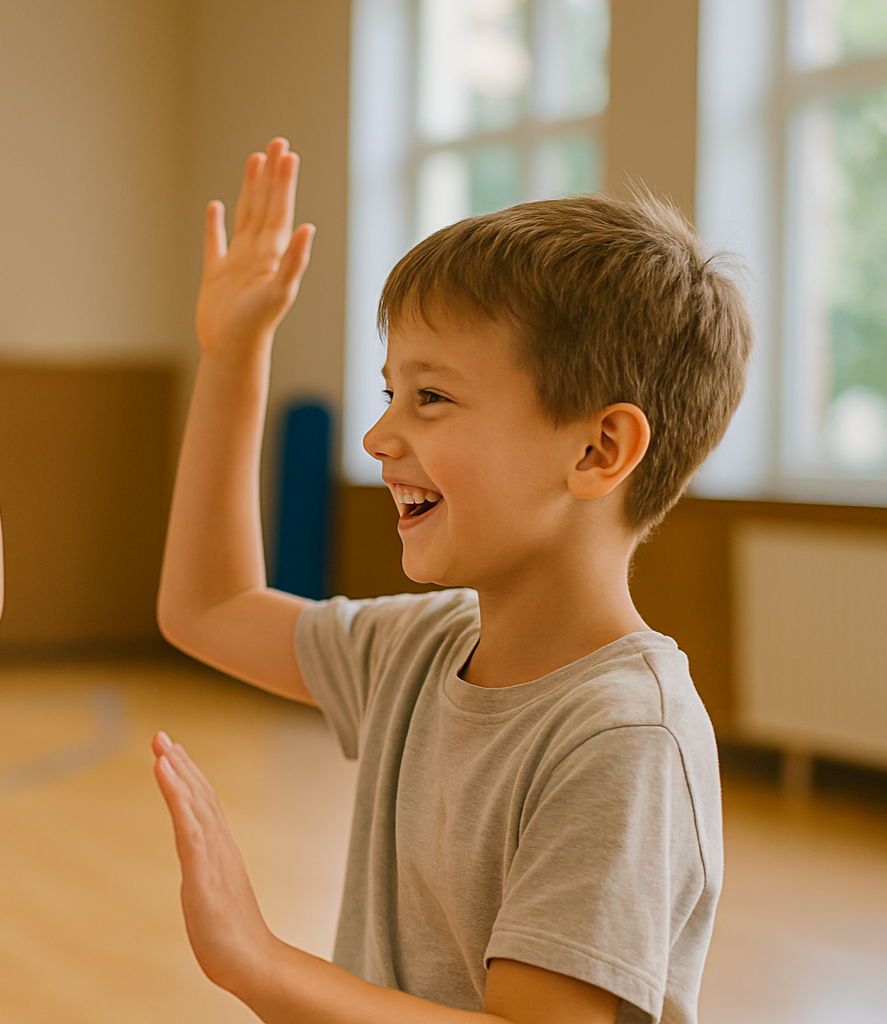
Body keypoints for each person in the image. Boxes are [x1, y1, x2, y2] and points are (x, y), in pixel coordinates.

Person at [152, 138, 749, 1024]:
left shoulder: (624, 737)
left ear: (598, 450)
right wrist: (235, 354)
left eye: (429, 397)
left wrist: (261, 965)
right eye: (390, 392)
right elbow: (207, 608)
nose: (379, 437)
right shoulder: (421, 645)